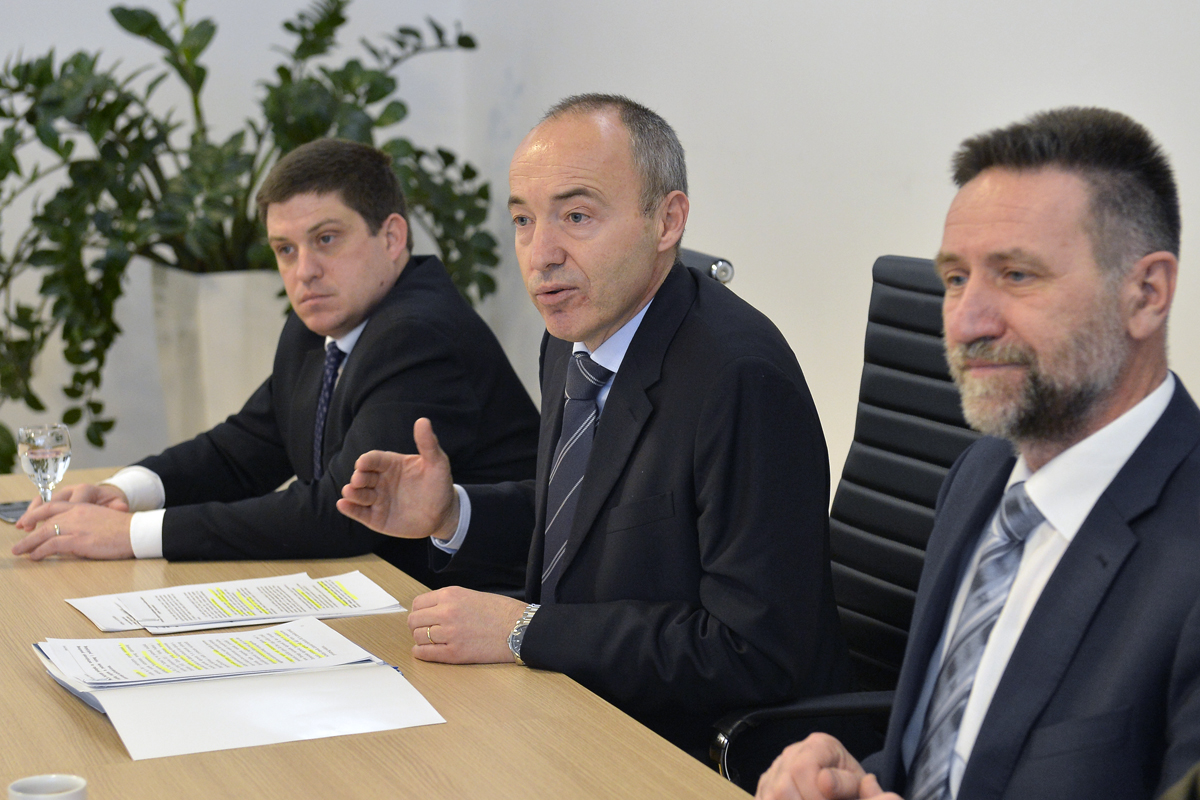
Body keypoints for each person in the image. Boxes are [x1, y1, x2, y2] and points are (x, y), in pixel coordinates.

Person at [336, 94, 847, 757]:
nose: (540, 255)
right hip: (571, 711)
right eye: (524, 220)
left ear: (667, 221)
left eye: (576, 216)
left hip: (691, 750)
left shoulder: (739, 380)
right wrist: (454, 513)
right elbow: (594, 520)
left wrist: (524, 630)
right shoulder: (573, 340)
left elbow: (752, 651)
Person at [756, 107, 1200, 800]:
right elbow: (955, 757)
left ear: (1146, 294)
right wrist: (858, 776)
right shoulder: (980, 475)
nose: (966, 323)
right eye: (956, 278)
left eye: (1017, 275)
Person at [12, 138, 539, 591]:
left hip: (474, 606)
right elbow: (244, 450)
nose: (304, 271)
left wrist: (131, 535)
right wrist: (127, 492)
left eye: (325, 239)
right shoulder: (320, 323)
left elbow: (342, 515)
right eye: (285, 249)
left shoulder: (419, 334)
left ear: (391, 237)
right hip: (378, 589)